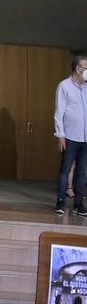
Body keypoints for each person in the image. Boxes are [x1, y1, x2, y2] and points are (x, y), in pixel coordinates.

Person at [53, 52, 87, 215]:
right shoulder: (64, 86)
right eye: (86, 67)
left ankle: (79, 204)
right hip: (70, 136)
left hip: (85, 138)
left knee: (82, 171)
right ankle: (60, 201)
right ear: (78, 68)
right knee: (65, 169)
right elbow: (59, 112)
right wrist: (60, 134)